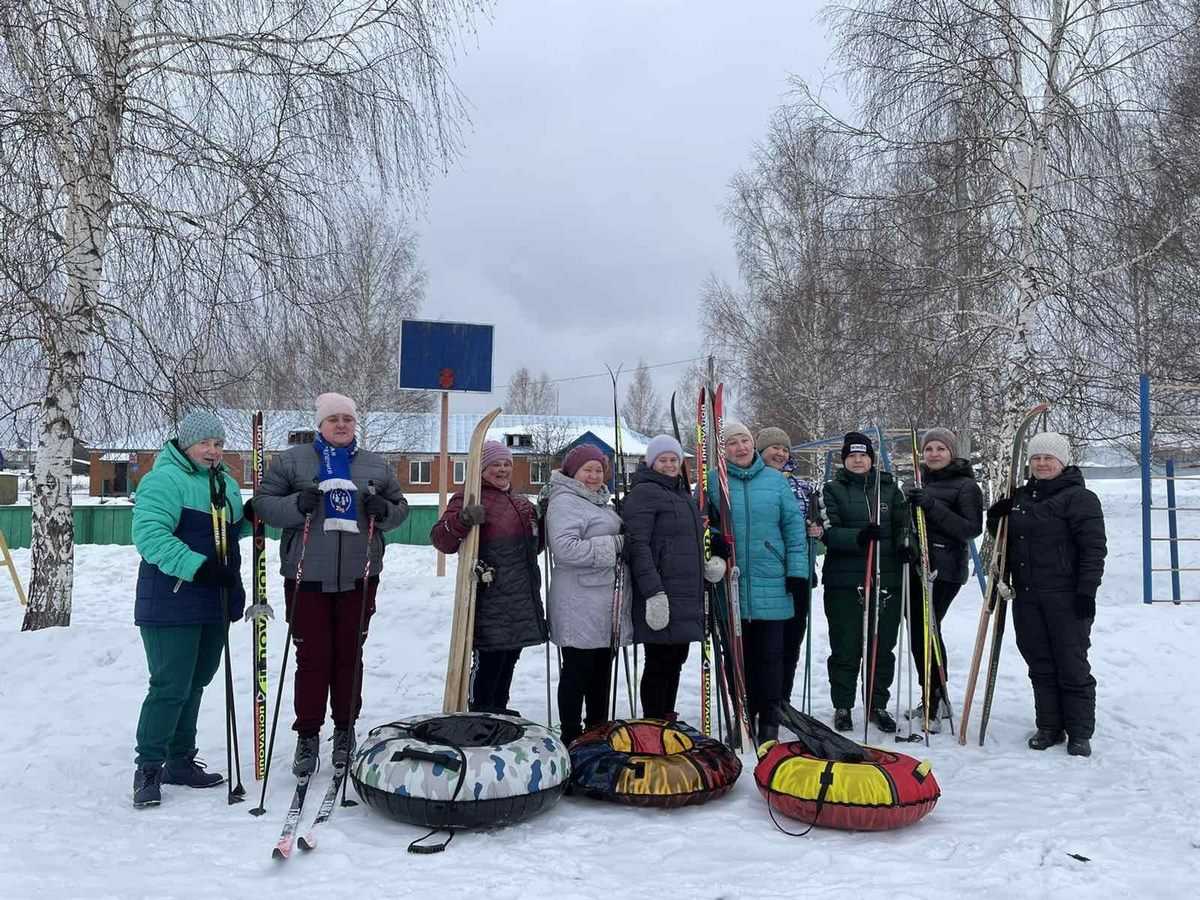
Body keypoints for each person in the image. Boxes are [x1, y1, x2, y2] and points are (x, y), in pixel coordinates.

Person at [255, 393, 408, 777]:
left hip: (360, 574)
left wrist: (384, 511)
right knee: (312, 658)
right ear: (319, 424)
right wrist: (295, 505)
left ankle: (345, 730)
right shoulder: (292, 461)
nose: (341, 425)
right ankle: (307, 734)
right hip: (307, 575)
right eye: (333, 419)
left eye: (348, 419)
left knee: (349, 656)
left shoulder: (374, 464)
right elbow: (262, 504)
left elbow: (400, 508)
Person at [130, 409, 248, 808]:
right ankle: (149, 766)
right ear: (186, 444)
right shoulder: (164, 480)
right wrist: (197, 568)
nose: (213, 451)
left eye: (218, 444)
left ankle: (180, 759)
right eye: (205, 443)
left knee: (197, 680)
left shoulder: (226, 485)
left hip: (213, 599)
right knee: (170, 685)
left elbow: (229, 533)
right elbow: (149, 536)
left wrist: (252, 517)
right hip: (173, 598)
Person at [986, 432, 1106, 757]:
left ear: (1062, 462)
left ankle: (1079, 732)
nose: (1041, 463)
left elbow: (1093, 550)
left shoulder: (1080, 499)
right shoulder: (1022, 497)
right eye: (1036, 458)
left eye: (1048, 458)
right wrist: (997, 517)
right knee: (1039, 663)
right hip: (1027, 595)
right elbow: (1003, 540)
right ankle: (1049, 726)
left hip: (1067, 597)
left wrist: (1087, 592)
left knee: (1071, 663)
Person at [707, 421, 808, 744]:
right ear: (724, 451)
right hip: (730, 583)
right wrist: (712, 539)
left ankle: (769, 722)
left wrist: (797, 572)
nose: (741, 447)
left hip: (772, 581)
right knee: (736, 657)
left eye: (745, 441)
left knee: (771, 657)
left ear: (753, 444)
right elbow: (700, 523)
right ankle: (742, 716)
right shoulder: (713, 482)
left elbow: (794, 530)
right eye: (733, 443)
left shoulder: (776, 482)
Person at [431, 440, 545, 717]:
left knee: (509, 658)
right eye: (495, 464)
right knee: (490, 660)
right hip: (488, 597)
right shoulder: (468, 497)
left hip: (520, 596)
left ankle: (499, 711)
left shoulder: (521, 503)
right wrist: (463, 519)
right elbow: (441, 540)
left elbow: (535, 548)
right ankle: (480, 713)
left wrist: (543, 519)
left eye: (506, 463)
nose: (502, 469)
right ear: (480, 469)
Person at [622, 435, 724, 721]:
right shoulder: (643, 493)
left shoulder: (682, 495)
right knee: (658, 662)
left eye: (674, 460)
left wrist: (705, 566)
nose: (669, 465)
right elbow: (637, 545)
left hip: (685, 593)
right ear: (651, 463)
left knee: (675, 660)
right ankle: (653, 721)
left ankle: (666, 716)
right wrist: (653, 593)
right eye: (663, 460)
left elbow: (686, 541)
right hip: (661, 593)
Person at [820, 431, 912, 733]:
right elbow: (827, 532)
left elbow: (904, 524)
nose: (858, 460)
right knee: (846, 646)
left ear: (871, 459)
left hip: (886, 579)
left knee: (882, 647)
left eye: (863, 455)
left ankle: (877, 705)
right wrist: (858, 537)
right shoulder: (831, 490)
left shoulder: (889, 489)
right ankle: (843, 705)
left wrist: (904, 544)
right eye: (852, 456)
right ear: (844, 460)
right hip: (845, 583)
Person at [543, 444, 627, 743]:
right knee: (578, 669)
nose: (594, 475)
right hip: (578, 601)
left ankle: (597, 729)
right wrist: (615, 545)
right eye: (587, 470)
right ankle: (571, 734)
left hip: (604, 600)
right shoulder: (565, 501)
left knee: (602, 669)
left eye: (598, 469)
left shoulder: (600, 502)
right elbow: (564, 550)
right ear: (572, 472)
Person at [903, 427, 983, 732]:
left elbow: (970, 528)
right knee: (919, 633)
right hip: (917, 566)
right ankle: (935, 696)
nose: (934, 454)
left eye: (940, 449)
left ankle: (935, 701)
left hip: (945, 569)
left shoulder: (965, 486)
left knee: (927, 631)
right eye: (929, 449)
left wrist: (931, 506)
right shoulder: (919, 482)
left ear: (952, 452)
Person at [756, 427, 825, 708]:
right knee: (765, 644)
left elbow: (821, 534)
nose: (780, 453)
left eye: (784, 449)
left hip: (798, 573)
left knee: (792, 640)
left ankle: (782, 700)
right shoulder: (752, 483)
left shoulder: (804, 488)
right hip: (764, 574)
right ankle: (760, 698)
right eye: (774, 447)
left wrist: (817, 533)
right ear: (761, 451)